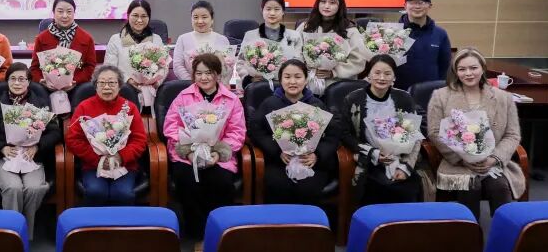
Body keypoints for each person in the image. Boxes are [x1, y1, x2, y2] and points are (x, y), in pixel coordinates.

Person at [428, 48, 524, 221]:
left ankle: (505, 232)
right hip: (457, 162)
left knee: (499, 187)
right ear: (455, 72)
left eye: (473, 68)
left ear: (483, 68)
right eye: (462, 69)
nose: (468, 73)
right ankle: (469, 232)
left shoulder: (504, 98)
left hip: (492, 163)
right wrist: (463, 159)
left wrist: (493, 159)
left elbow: (512, 134)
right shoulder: (440, 96)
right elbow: (434, 132)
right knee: (470, 186)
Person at [0, 63, 61, 239]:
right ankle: (12, 235)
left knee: (35, 188)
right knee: (13, 188)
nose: (17, 83)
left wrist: (37, 146)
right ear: (7, 82)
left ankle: (23, 235)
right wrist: (1, 147)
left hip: (31, 157)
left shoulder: (40, 104)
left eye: (22, 79)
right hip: (3, 157)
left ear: (29, 82)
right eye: (13, 79)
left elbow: (55, 133)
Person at [163, 53, 245, 238]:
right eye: (199, 73)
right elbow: (171, 127)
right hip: (187, 155)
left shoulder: (231, 99)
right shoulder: (183, 97)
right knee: (188, 181)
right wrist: (189, 152)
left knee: (221, 182)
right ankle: (197, 234)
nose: (203, 77)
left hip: (218, 155)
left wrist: (218, 154)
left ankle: (219, 232)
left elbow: (237, 132)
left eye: (208, 73)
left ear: (217, 74)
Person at [249, 59, 341, 205]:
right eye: (287, 77)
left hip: (310, 162)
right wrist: (277, 151)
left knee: (307, 188)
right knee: (277, 185)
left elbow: (333, 135)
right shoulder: (270, 104)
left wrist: (317, 155)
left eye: (298, 77)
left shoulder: (316, 105)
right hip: (279, 161)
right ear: (280, 80)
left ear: (306, 80)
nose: (292, 81)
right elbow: (256, 131)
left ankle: (308, 220)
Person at [340, 55, 422, 206]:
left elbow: (415, 136)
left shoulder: (404, 98)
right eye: (377, 73)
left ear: (394, 77)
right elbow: (344, 134)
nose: (382, 78)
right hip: (369, 159)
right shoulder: (353, 99)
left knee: (408, 188)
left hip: (400, 158)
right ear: (368, 75)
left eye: (387, 73)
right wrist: (374, 153)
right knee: (377, 187)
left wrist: (405, 167)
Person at [65, 65, 148, 206]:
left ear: (119, 86)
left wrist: (120, 157)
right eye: (102, 82)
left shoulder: (129, 107)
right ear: (95, 85)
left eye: (111, 82)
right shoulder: (84, 107)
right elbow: (73, 139)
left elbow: (139, 140)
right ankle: (93, 221)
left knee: (122, 193)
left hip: (124, 164)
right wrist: (98, 159)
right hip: (93, 164)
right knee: (96, 191)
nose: (107, 87)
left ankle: (124, 221)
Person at [295, 0, 371, 87]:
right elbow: (295, 52)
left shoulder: (349, 30)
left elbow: (358, 60)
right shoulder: (305, 26)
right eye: (323, 1)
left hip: (337, 84)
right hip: (307, 82)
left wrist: (334, 72)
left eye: (332, 3)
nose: (326, 6)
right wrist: (307, 68)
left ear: (340, 5)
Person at [29, 0, 98, 91]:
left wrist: (75, 81)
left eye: (69, 12)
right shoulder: (42, 38)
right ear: (53, 12)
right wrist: (41, 80)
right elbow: (34, 68)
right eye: (60, 11)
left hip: (76, 87)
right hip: (47, 87)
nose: (65, 16)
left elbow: (90, 67)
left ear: (74, 13)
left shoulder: (86, 38)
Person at [239, 0, 303, 87]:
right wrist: (250, 78)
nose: (272, 13)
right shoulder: (250, 35)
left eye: (277, 9)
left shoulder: (294, 36)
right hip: (257, 86)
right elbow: (241, 62)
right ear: (262, 10)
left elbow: (299, 63)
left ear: (283, 11)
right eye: (268, 9)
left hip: (287, 86)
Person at [395, 0, 452, 90]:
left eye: (421, 2)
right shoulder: (392, 32)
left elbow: (445, 67)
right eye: (412, 2)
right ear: (405, 6)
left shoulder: (440, 34)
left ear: (430, 6)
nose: (417, 6)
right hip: (399, 92)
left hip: (431, 93)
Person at [104, 0, 166, 85]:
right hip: (124, 87)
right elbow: (110, 68)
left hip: (151, 88)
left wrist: (157, 82)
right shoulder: (115, 40)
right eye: (135, 15)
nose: (139, 20)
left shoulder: (156, 39)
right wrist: (128, 80)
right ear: (128, 16)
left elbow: (164, 66)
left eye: (144, 16)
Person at [172, 1, 231, 81]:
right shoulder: (183, 39)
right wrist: (191, 82)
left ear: (212, 19)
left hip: (217, 85)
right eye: (195, 17)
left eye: (204, 17)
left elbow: (228, 66)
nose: (200, 21)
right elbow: (178, 66)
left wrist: (216, 83)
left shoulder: (223, 40)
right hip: (190, 84)